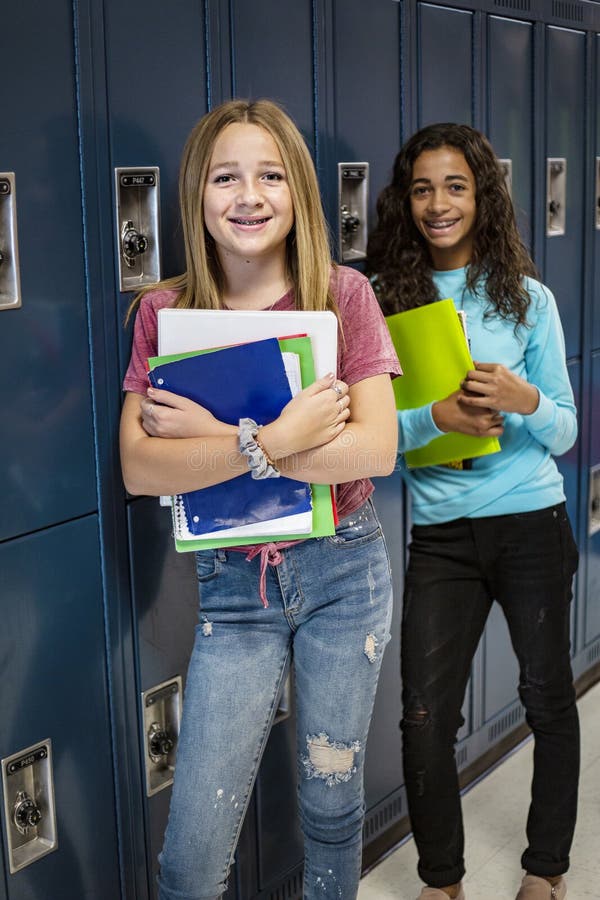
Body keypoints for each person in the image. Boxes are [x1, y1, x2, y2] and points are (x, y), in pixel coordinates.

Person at [120, 98, 401, 900]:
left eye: (271, 175)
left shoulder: (342, 293)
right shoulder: (166, 313)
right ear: (195, 196)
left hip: (345, 574)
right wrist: (276, 437)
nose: (249, 196)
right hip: (235, 593)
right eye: (226, 177)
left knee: (330, 802)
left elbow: (374, 448)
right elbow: (141, 468)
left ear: (300, 192)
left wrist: (210, 442)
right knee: (193, 855)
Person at [366, 123, 579, 900]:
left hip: (530, 524)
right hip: (443, 539)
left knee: (547, 699)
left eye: (456, 186)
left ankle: (545, 870)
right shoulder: (386, 300)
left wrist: (525, 401)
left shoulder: (529, 300)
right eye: (422, 188)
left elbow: (567, 427)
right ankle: (442, 882)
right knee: (424, 721)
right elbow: (371, 438)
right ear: (404, 200)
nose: (438, 204)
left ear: (482, 196)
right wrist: (436, 421)